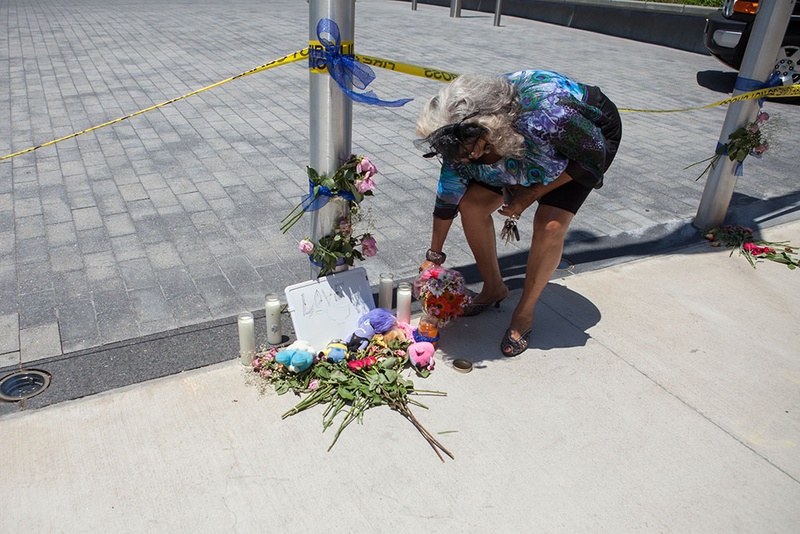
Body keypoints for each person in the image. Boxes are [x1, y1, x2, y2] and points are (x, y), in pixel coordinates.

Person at [415, 69, 622, 357]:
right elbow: (448, 193)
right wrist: (433, 257)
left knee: (550, 224)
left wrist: (531, 193)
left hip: (583, 142)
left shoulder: (550, 114)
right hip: (523, 141)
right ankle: (493, 288)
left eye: (464, 151)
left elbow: (592, 157)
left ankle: (524, 312)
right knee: (472, 204)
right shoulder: (459, 137)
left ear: (483, 128)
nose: (459, 159)